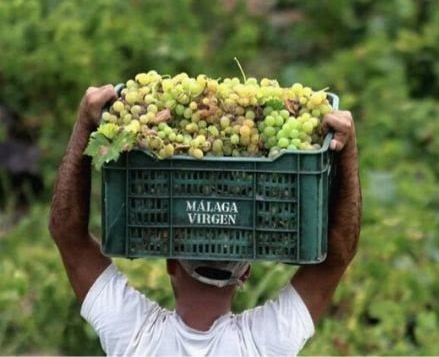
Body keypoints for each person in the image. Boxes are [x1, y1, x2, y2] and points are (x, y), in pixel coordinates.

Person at [49, 84, 362, 356]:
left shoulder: (133, 337)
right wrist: (346, 150)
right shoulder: (265, 345)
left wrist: (83, 124)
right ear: (246, 274)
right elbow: (337, 256)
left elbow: (67, 233)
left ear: (170, 261)